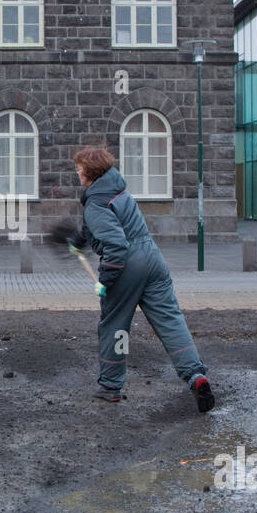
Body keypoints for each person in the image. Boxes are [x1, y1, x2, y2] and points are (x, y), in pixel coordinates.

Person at [67, 147, 214, 412]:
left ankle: (111, 386)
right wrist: (78, 241)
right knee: (170, 319)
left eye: (79, 168)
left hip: (127, 266)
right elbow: (103, 224)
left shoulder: (95, 203)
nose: (77, 173)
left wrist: (106, 279)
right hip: (152, 259)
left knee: (116, 325)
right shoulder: (116, 190)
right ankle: (196, 376)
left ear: (91, 171)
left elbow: (116, 245)